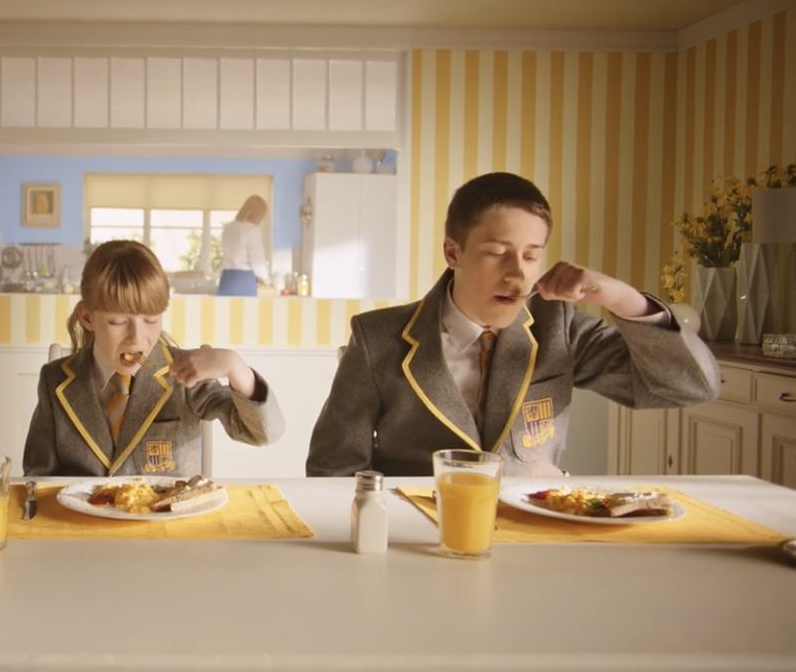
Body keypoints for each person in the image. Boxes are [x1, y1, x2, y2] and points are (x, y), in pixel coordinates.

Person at [306, 172, 720, 477]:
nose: (517, 273)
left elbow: (691, 386)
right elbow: (333, 469)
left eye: (530, 255)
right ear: (453, 252)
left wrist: (620, 296)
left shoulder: (559, 327)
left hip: (536, 540)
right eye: (497, 252)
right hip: (413, 542)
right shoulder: (377, 338)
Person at [24, 240, 284, 477]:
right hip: (83, 526)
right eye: (118, 322)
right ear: (87, 317)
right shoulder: (55, 380)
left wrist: (234, 366)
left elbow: (264, 433)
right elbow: (36, 478)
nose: (137, 338)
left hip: (167, 526)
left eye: (151, 320)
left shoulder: (185, 374)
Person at [216, 195, 271, 297]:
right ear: (258, 214)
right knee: (245, 312)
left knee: (224, 312)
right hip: (243, 282)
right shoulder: (252, 230)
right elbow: (258, 262)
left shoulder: (228, 228)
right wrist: (266, 281)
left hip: (225, 281)